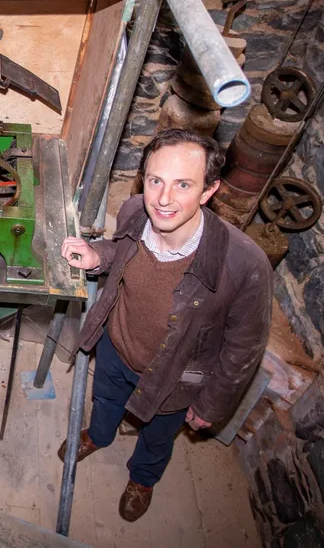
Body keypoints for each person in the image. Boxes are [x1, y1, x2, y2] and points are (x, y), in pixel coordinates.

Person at [59, 128, 272, 522]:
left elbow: (243, 349)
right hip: (116, 346)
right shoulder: (137, 210)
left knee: (157, 437)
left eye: (183, 184)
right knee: (105, 400)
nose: (164, 198)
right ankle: (99, 435)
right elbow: (120, 249)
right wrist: (96, 255)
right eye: (156, 180)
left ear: (209, 191)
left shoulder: (245, 265)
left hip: (175, 378)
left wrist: (211, 405)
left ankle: (143, 478)